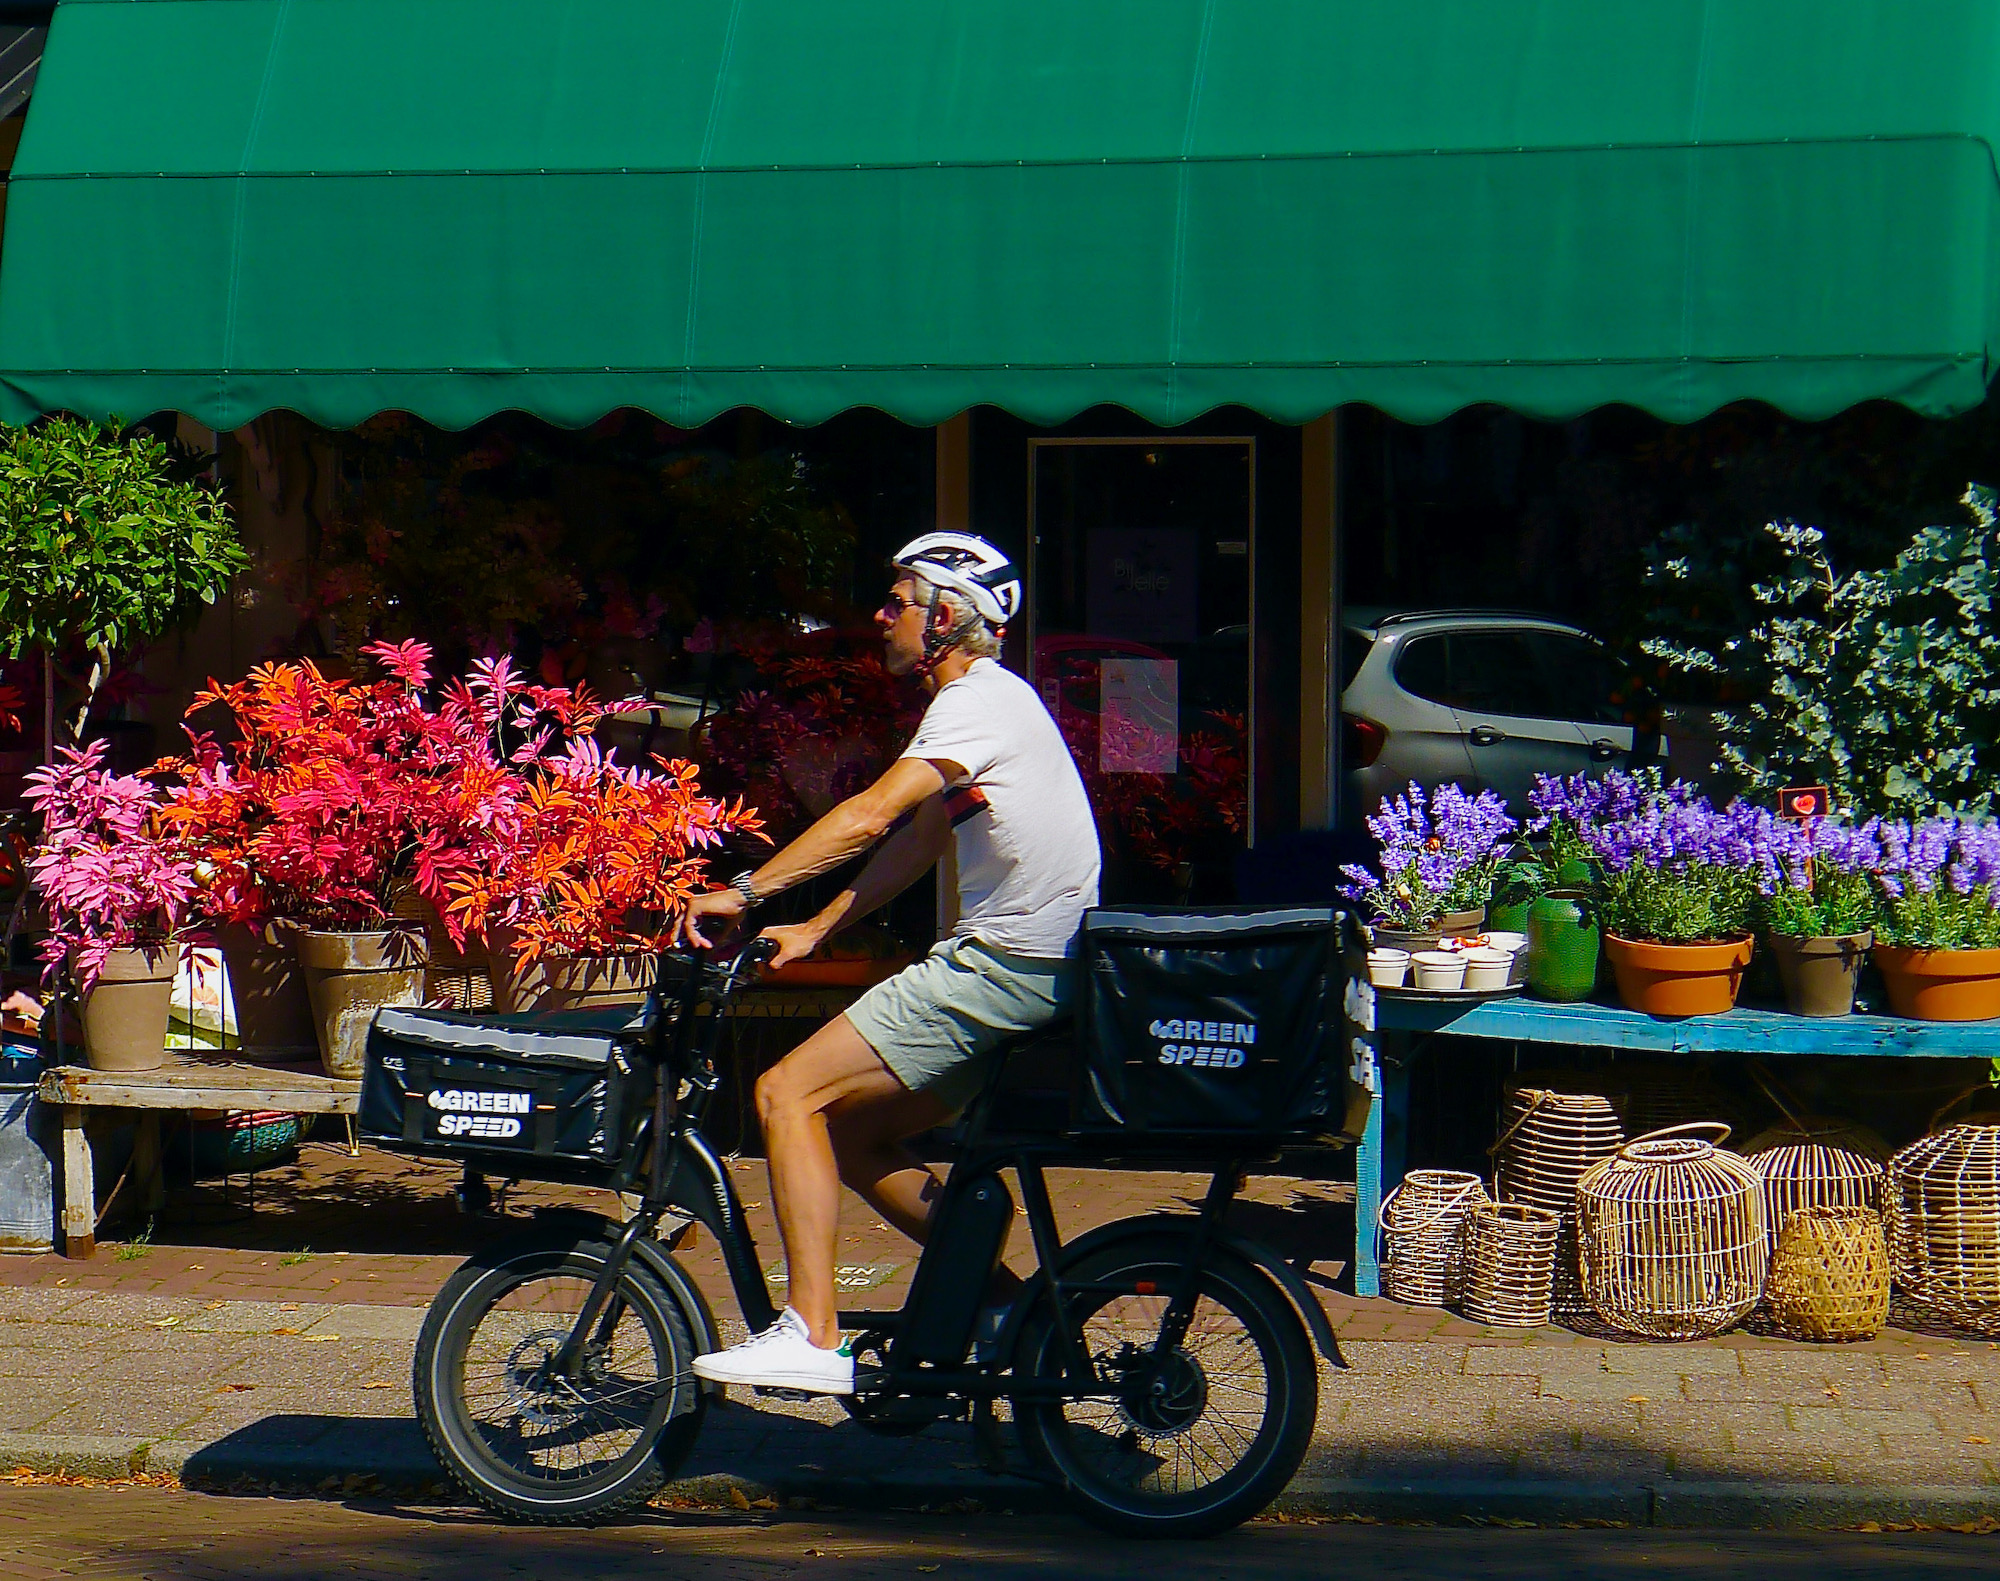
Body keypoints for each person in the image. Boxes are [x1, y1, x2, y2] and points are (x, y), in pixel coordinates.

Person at [676, 531, 1101, 1394]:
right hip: (1033, 968)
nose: (882, 615)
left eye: (899, 599)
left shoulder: (975, 702)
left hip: (1003, 964)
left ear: (944, 618)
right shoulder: (994, 705)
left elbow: (871, 815)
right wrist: (820, 926)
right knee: (858, 1133)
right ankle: (1002, 1309)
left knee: (784, 1092)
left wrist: (748, 891)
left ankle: (811, 1333)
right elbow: (920, 837)